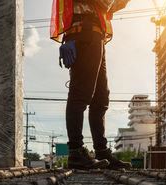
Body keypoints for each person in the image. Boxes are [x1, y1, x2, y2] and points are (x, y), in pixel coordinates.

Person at [50, 0, 132, 170]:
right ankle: (76, 152)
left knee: (101, 98)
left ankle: (101, 151)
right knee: (81, 94)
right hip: (83, 33)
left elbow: (108, 7)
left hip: (95, 35)